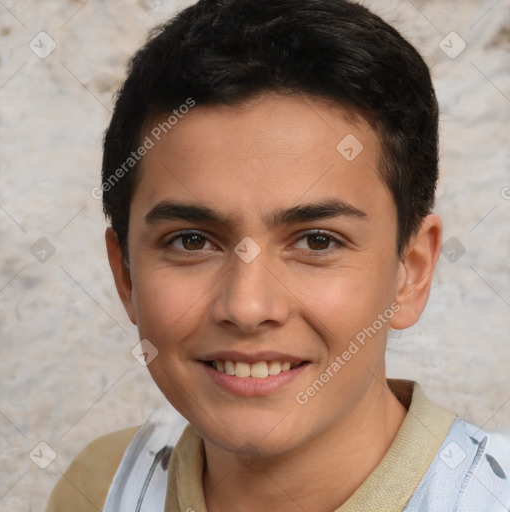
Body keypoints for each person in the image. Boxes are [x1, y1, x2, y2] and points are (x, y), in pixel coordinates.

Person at [45, 0, 510, 510]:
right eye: (192, 241)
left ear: (411, 273)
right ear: (126, 276)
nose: (247, 307)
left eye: (317, 241)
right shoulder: (102, 487)